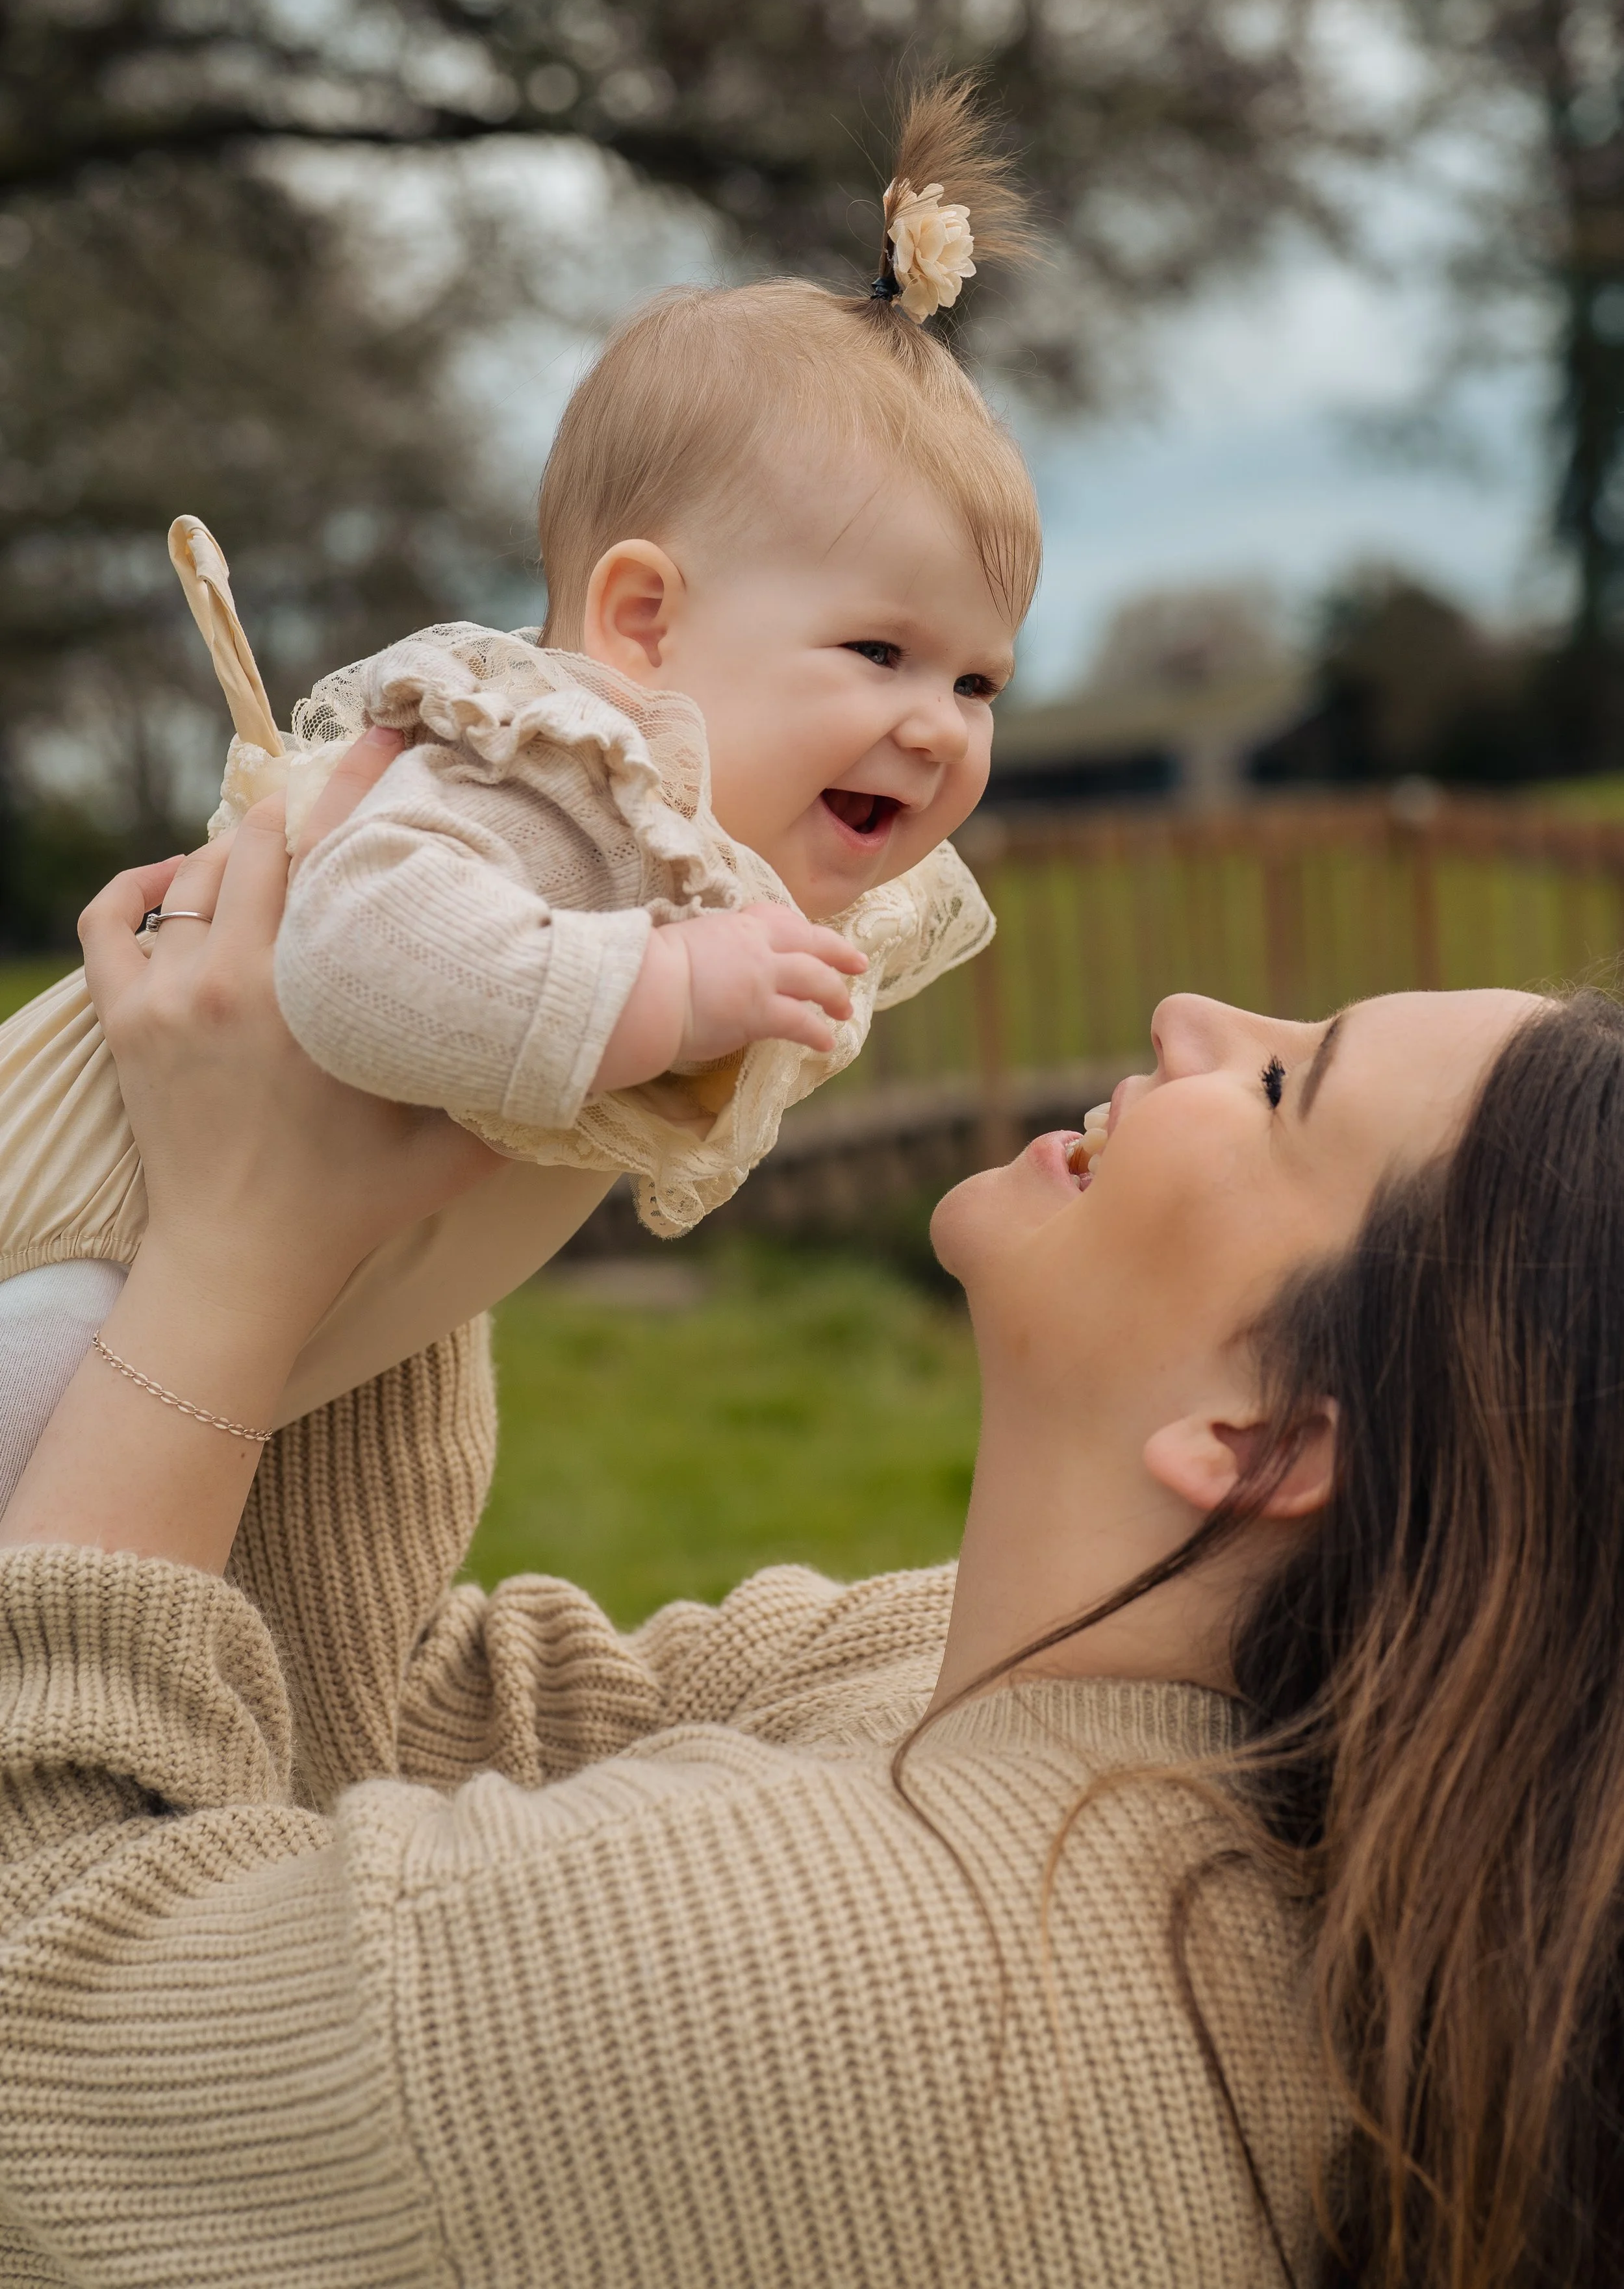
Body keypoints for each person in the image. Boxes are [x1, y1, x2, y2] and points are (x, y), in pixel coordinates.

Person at [2, 784, 1617, 2289]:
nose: (1186, 1017)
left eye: (1278, 1088)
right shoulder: (997, 1688)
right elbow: (380, 1722)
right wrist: (456, 1103)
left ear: (1265, 1438)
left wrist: (237, 1250)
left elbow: (49, 1997)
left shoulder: (874, 1991)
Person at [0, 73, 1034, 1482]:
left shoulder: (685, 855)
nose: (937, 728)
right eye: (879, 652)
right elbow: (357, 954)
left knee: (389, 1480)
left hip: (308, 1302)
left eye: (976, 682)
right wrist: (667, 993)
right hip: (70, 1249)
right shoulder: (544, 769)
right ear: (642, 624)